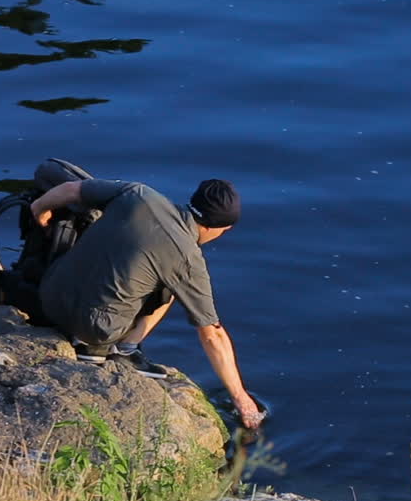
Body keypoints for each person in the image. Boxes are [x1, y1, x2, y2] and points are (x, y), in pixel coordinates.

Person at [28, 177, 264, 429]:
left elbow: (72, 189)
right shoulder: (187, 259)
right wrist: (242, 399)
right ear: (218, 227)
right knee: (173, 286)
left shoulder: (139, 194)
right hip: (93, 328)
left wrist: (39, 210)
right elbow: (212, 335)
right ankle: (122, 350)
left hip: (50, 295)